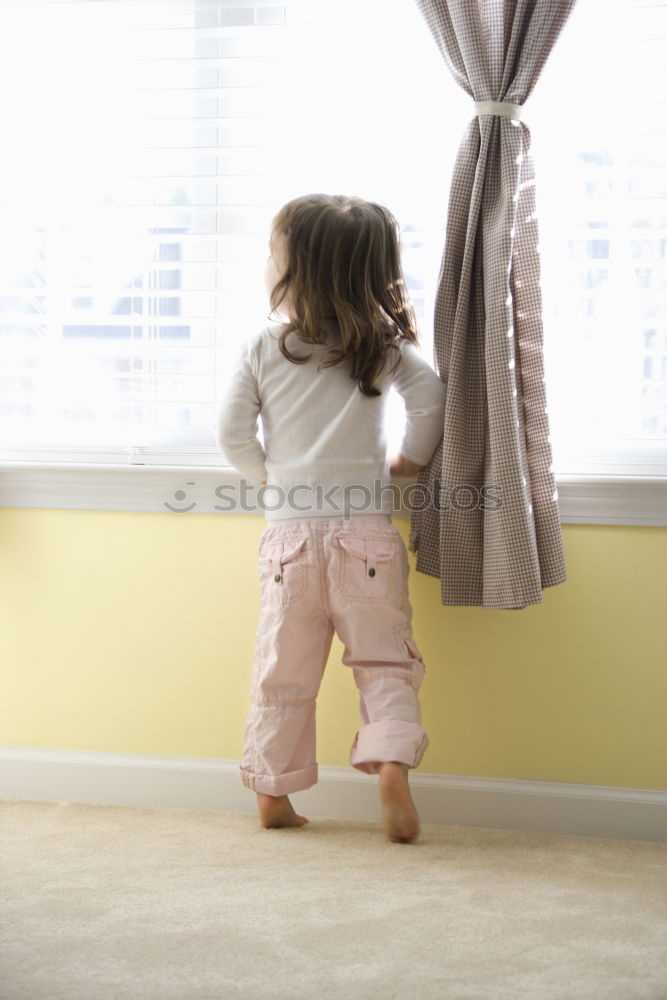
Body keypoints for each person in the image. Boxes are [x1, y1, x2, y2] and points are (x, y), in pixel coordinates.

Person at [216, 194, 446, 843]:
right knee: (384, 662)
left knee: (284, 669)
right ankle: (392, 763)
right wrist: (407, 459)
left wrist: (272, 479)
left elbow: (232, 434)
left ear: (297, 271)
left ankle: (274, 792)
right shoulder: (381, 344)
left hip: (289, 536)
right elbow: (429, 401)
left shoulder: (266, 347)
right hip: (365, 536)